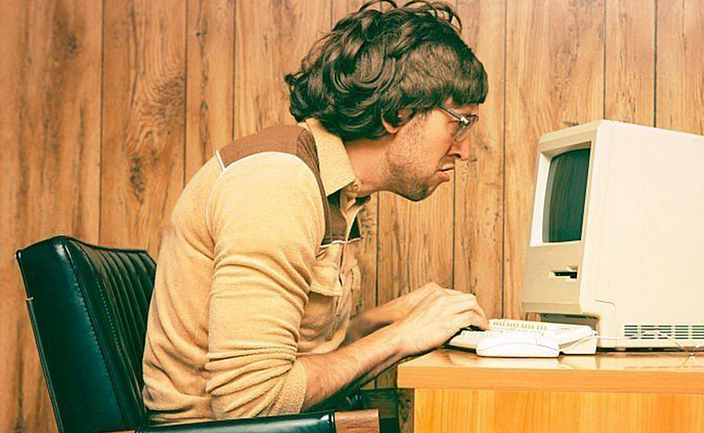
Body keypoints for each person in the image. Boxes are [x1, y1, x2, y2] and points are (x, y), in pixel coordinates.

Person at [141, 0, 490, 423]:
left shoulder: (333, 187)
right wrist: (402, 337)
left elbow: (301, 350)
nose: (466, 150)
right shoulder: (279, 184)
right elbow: (251, 402)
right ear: (397, 113)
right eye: (460, 122)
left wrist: (390, 319)